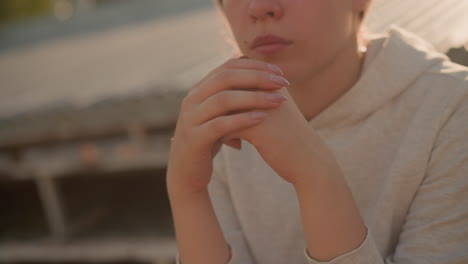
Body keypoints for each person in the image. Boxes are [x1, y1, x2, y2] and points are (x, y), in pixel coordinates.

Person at [166, 0, 468, 263]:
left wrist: (316, 177)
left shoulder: (451, 108)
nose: (259, 7)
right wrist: (187, 193)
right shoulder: (221, 116)